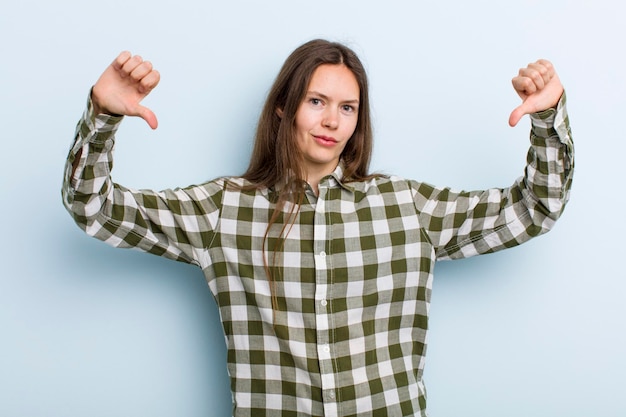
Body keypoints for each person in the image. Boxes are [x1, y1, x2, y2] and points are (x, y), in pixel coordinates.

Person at [62, 39, 574, 417]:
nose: (332, 121)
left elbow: (535, 209)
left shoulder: (406, 206)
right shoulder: (224, 209)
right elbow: (94, 208)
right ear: (284, 106)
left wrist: (548, 119)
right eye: (316, 101)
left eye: (347, 107)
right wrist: (102, 118)